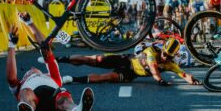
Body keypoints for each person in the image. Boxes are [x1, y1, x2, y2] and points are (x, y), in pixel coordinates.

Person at [7, 13, 94, 111]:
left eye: (34, 69)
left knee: (63, 99)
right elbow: (11, 78)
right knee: (25, 92)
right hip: (33, 100)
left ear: (40, 72)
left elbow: (45, 47)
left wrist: (30, 22)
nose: (32, 68)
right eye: (30, 70)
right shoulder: (21, 84)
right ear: (26, 75)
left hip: (54, 99)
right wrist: (11, 45)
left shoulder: (52, 77)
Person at [41, 38, 200, 86]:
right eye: (165, 54)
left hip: (130, 73)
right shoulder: (152, 51)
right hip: (126, 59)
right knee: (94, 60)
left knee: (107, 78)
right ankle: (57, 59)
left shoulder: (170, 63)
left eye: (169, 57)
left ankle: (71, 79)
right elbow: (153, 68)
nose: (166, 58)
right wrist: (160, 80)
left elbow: (183, 74)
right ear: (162, 49)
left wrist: (194, 80)